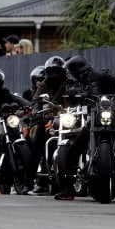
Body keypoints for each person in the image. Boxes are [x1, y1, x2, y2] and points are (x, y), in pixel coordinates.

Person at [53, 55, 115, 204]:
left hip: (113, 115)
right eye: (76, 75)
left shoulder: (102, 74)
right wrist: (70, 94)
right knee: (73, 151)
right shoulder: (76, 83)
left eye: (78, 74)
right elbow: (63, 96)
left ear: (83, 70)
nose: (78, 77)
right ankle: (68, 189)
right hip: (93, 118)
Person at [26, 56, 68, 195]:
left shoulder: (70, 83)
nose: (54, 75)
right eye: (51, 71)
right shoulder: (43, 84)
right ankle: (30, 182)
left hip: (69, 120)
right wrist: (38, 111)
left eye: (57, 71)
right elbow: (36, 101)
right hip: (48, 121)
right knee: (38, 149)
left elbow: (79, 97)